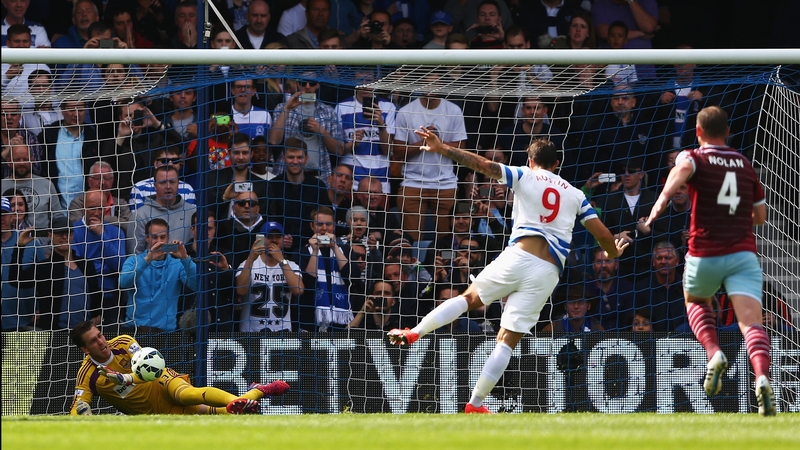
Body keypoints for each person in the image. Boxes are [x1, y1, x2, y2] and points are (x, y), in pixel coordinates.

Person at [388, 133, 627, 414]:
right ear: (557, 164)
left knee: (469, 299)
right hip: (548, 270)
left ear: (531, 159)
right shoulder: (575, 194)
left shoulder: (524, 174)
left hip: (519, 254)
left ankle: (415, 332)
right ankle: (475, 404)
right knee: (507, 340)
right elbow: (601, 234)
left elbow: (483, 165)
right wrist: (613, 253)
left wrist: (442, 148)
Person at [644, 105, 775, 416]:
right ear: (727, 131)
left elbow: (680, 173)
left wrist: (660, 204)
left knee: (696, 301)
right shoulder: (744, 163)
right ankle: (762, 377)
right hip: (743, 254)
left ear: (698, 132)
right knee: (751, 323)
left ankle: (714, 352)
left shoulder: (693, 156)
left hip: (705, 252)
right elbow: (760, 216)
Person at [68, 321, 290, 415]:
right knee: (225, 415)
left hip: (162, 382)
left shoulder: (124, 343)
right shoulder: (87, 376)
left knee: (187, 394)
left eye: (100, 335)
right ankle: (258, 390)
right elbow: (79, 406)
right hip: (155, 412)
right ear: (84, 350)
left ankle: (235, 399)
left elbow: (148, 368)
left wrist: (125, 379)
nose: (101, 342)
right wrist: (83, 416)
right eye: (93, 341)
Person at [393, 74, 467, 242]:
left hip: (445, 183)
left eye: (436, 84)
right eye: (427, 84)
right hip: (412, 182)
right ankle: (414, 268)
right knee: (411, 240)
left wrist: (438, 144)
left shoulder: (453, 110)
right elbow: (397, 151)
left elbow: (461, 150)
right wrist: (423, 141)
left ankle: (447, 268)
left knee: (448, 239)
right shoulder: (406, 111)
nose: (431, 88)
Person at [9, 215, 102, 330]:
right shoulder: (44, 267)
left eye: (67, 233)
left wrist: (98, 316)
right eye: (59, 233)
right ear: (50, 235)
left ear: (72, 235)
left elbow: (95, 294)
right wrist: (19, 247)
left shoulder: (87, 265)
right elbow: (15, 280)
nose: (64, 237)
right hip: (57, 333)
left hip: (86, 332)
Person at [120, 218, 196, 332]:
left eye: (162, 237)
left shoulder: (177, 263)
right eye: (154, 237)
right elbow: (123, 283)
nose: (159, 241)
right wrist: (147, 260)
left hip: (165, 332)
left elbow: (197, 285)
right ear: (147, 238)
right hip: (135, 330)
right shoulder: (133, 261)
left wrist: (185, 258)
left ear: (168, 238)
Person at [71, 190, 130, 326]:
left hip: (109, 297)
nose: (97, 212)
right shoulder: (73, 231)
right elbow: (79, 267)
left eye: (101, 208)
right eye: (92, 208)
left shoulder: (116, 232)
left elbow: (119, 266)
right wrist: (103, 267)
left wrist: (102, 235)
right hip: (82, 296)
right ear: (83, 206)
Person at [235, 221, 304, 332]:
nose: (274, 240)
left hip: (282, 334)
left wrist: (281, 261)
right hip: (251, 334)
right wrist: (251, 259)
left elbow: (298, 290)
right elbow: (241, 291)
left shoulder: (290, 265)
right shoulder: (248, 264)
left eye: (278, 237)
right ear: (260, 239)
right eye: (269, 237)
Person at [300, 206, 358, 331]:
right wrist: (315, 250)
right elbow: (308, 284)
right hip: (311, 320)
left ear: (334, 226)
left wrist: (335, 247)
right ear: (312, 226)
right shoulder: (303, 252)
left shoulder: (346, 250)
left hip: (340, 321)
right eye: (319, 224)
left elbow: (354, 279)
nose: (324, 228)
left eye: (328, 224)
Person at [39, 99, 99, 209]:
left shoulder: (94, 137)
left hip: (87, 208)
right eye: (71, 109)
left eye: (80, 109)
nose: (76, 114)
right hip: (57, 207)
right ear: (62, 109)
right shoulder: (48, 136)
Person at [0, 142, 64, 229]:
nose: (21, 163)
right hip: (8, 241)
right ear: (8, 161)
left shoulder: (46, 185)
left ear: (32, 159)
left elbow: (58, 218)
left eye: (25, 159)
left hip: (43, 240)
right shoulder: (2, 185)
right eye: (17, 159)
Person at [634, 241, 686, 332]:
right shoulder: (641, 289)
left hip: (684, 340)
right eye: (659, 258)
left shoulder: (686, 286)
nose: (663, 261)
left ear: (677, 261)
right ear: (653, 262)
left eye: (668, 258)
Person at [584, 247, 635, 331]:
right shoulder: (584, 288)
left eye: (608, 261)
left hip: (622, 340)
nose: (603, 265)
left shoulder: (627, 288)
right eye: (599, 261)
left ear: (616, 265)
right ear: (593, 266)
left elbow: (629, 322)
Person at [130, 147, 196, 211]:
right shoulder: (139, 188)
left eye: (175, 161)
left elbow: (190, 218)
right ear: (155, 164)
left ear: (180, 164)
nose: (170, 164)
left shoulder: (188, 189)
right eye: (165, 161)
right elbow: (139, 219)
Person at [69, 162, 131, 226]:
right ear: (89, 181)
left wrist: (95, 219)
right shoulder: (78, 203)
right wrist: (116, 220)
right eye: (97, 178)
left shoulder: (121, 203)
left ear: (112, 181)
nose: (102, 182)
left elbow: (129, 226)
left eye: (106, 178)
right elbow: (77, 227)